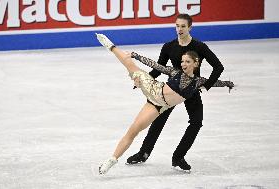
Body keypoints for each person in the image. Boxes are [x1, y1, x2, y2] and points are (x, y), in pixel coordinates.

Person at [95, 33, 233, 174]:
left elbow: (216, 82)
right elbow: (156, 65)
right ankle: (110, 46)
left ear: (196, 63)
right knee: (128, 63)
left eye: (187, 62)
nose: (183, 64)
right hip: (152, 87)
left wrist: (227, 83)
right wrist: (136, 55)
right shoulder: (175, 72)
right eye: (182, 61)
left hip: (157, 106)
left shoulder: (198, 82)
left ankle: (112, 160)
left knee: (134, 130)